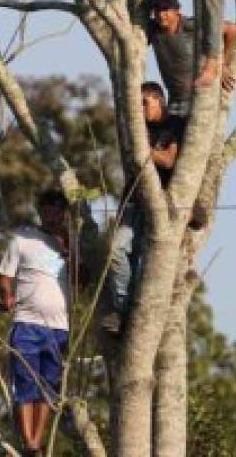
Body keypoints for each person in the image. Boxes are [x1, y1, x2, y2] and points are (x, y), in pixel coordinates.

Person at [103, 82, 185, 334]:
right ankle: (121, 310)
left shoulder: (175, 125)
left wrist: (145, 151)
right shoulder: (136, 129)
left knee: (144, 262)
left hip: (160, 203)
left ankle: (133, 316)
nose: (140, 108)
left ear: (158, 99)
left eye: (144, 103)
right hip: (133, 200)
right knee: (116, 249)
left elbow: (169, 160)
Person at [0, 189, 70, 457]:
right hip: (27, 323)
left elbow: (82, 280)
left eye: (58, 209)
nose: (53, 214)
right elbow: (5, 276)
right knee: (25, 386)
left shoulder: (68, 244)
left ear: (64, 214)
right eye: (48, 208)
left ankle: (37, 443)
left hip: (59, 327)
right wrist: (7, 295)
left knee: (48, 389)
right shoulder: (23, 239)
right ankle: (29, 442)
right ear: (40, 210)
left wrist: (70, 254)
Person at [146, 0, 236, 117]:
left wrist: (222, 64)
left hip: (199, 100)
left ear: (176, 10)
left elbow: (231, 30)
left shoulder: (191, 26)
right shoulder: (153, 30)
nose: (161, 15)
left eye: (166, 9)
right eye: (157, 10)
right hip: (174, 101)